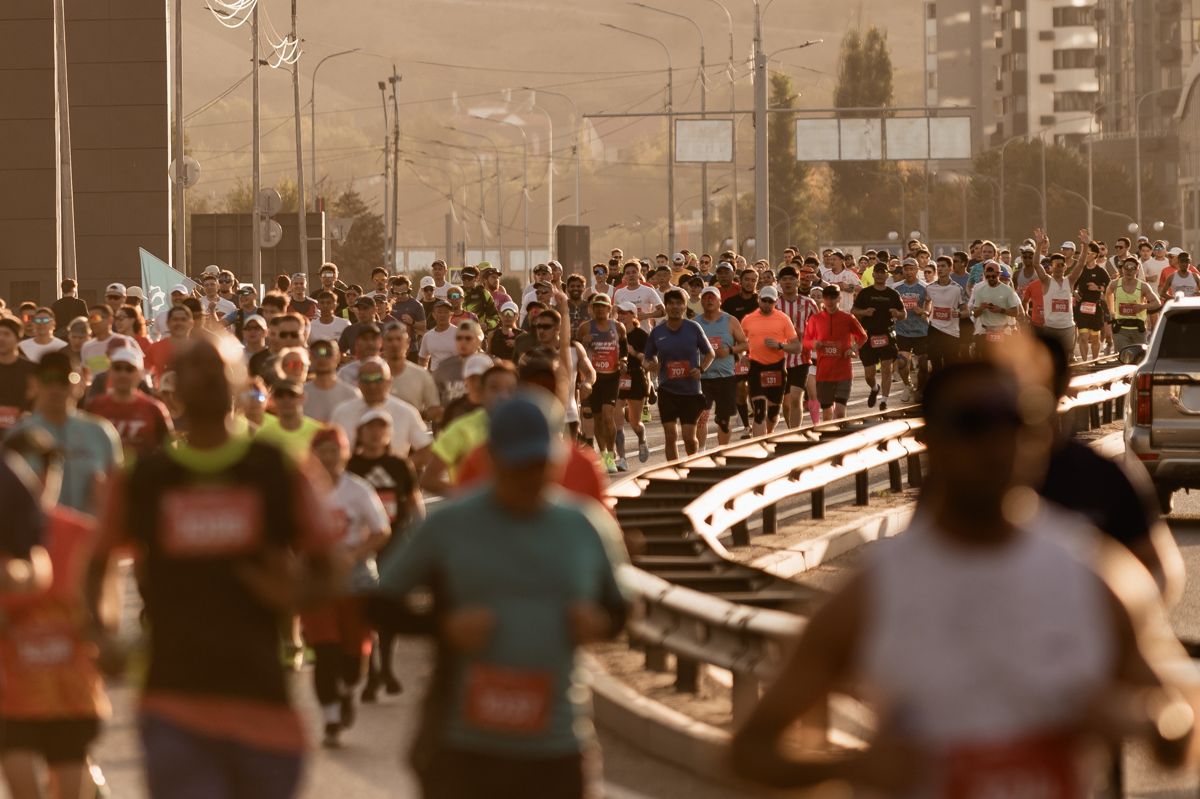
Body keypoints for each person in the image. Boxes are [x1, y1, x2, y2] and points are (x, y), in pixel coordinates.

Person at [730, 350, 1200, 797]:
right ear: (928, 438)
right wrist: (853, 766)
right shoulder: (873, 593)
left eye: (1017, 421)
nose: (998, 443)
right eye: (972, 423)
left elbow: (1179, 727)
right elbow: (749, 752)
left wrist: (1142, 720)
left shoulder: (1095, 575)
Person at [88, 337, 340, 799]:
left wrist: (299, 596)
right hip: (173, 700)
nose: (205, 376)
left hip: (264, 700)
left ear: (241, 381)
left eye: (216, 366)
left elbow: (330, 565)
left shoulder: (277, 469)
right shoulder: (144, 478)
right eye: (192, 367)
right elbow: (96, 560)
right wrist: (102, 633)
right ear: (174, 388)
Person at [376, 391, 628, 799]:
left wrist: (600, 623)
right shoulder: (451, 525)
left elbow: (621, 608)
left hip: (557, 745)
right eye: (518, 465)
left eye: (539, 464)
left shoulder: (585, 526)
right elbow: (379, 603)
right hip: (464, 748)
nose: (530, 477)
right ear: (491, 457)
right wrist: (441, 625)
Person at [0, 428, 111, 799]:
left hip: (71, 696)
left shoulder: (82, 534)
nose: (37, 481)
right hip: (13, 696)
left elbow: (105, 619)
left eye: (47, 467)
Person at [303, 426, 390, 748]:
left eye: (333, 451)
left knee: (354, 658)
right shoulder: (302, 492)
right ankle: (330, 719)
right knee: (324, 652)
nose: (328, 458)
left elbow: (381, 531)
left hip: (356, 581)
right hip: (317, 583)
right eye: (321, 451)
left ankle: (347, 690)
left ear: (345, 454)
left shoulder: (358, 490)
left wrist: (353, 554)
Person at [347, 412, 423, 703]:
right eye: (371, 428)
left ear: (390, 434)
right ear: (361, 432)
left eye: (382, 428)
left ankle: (387, 668)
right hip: (362, 545)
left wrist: (418, 537)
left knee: (388, 606)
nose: (376, 434)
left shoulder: (399, 465)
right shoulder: (352, 466)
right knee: (366, 610)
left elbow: (415, 501)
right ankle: (372, 671)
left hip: (394, 543)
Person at [6, 352, 122, 516]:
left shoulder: (101, 432)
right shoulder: (18, 436)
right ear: (34, 383)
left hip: (88, 535)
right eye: (48, 379)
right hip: (38, 538)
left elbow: (117, 494)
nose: (56, 388)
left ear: (79, 383)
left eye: (64, 380)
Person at [644, 289, 715, 460]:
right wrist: (652, 365)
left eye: (679, 303)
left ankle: (693, 466)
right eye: (671, 303)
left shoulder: (693, 328)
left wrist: (701, 369)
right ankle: (673, 472)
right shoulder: (657, 332)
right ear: (666, 307)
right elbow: (647, 359)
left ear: (684, 306)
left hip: (690, 391)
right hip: (667, 390)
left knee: (689, 437)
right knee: (670, 435)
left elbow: (710, 353)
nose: (675, 307)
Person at [330, 358, 432, 464]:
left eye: (378, 379)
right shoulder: (342, 412)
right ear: (358, 383)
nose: (372, 385)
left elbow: (427, 449)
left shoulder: (406, 412)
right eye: (366, 379)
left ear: (389, 382)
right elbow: (330, 449)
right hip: (351, 476)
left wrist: (401, 469)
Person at [84, 345, 172, 461]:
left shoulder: (154, 409)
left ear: (139, 374)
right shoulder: (95, 406)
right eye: (118, 368)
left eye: (129, 369)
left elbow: (169, 450)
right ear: (110, 372)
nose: (123, 374)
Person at [740, 286, 799, 436]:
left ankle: (769, 435)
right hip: (756, 367)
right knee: (759, 410)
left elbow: (797, 347)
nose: (767, 304)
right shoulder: (748, 319)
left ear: (776, 301)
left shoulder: (783, 319)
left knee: (772, 413)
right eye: (764, 300)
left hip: (777, 367)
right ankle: (760, 444)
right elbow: (739, 342)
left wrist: (780, 345)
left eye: (770, 301)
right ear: (758, 300)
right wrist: (742, 355)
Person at [577, 294, 627, 473]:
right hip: (593, 378)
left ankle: (611, 454)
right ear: (591, 308)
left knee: (608, 416)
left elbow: (624, 349)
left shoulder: (618, 327)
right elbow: (577, 351)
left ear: (609, 308)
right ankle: (604, 454)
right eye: (596, 306)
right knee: (597, 418)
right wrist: (584, 342)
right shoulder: (584, 328)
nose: (599, 309)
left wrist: (623, 361)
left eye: (602, 306)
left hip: (611, 377)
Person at [802, 286, 867, 421]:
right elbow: (806, 341)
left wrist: (853, 348)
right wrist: (813, 344)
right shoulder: (816, 319)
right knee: (827, 414)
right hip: (823, 373)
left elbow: (863, 336)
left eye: (833, 298)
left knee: (840, 413)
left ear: (839, 298)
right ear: (823, 300)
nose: (830, 301)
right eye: (827, 298)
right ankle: (829, 439)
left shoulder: (848, 318)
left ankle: (841, 440)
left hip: (844, 372)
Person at [853, 263, 905, 411]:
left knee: (886, 368)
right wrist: (864, 312)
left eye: (883, 272)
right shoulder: (865, 293)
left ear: (887, 275)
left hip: (886, 334)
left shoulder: (893, 294)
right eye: (878, 272)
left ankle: (884, 401)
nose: (881, 275)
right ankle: (875, 388)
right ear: (873, 274)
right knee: (869, 374)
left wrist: (897, 314)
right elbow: (853, 310)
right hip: (869, 335)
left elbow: (903, 314)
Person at [775, 266, 820, 428]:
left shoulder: (808, 303)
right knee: (785, 403)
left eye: (791, 279)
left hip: (801, 357)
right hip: (779, 358)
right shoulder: (774, 304)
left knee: (796, 398)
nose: (787, 282)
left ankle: (795, 434)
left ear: (798, 281)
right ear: (779, 282)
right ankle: (790, 431)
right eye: (784, 279)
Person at [614, 302, 652, 463]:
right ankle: (622, 458)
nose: (621, 315)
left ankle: (642, 440)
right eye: (619, 312)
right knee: (617, 423)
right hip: (618, 379)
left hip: (636, 378)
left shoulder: (642, 335)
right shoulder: (614, 334)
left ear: (633, 315)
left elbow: (650, 361)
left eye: (625, 312)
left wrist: (634, 353)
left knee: (635, 422)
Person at [382, 323, 440, 422]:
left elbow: (434, 409)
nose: (394, 344)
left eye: (399, 339)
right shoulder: (374, 374)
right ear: (382, 343)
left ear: (407, 343)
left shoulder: (421, 375)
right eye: (390, 340)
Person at [254, 380, 322, 463]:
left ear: (303, 397)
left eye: (292, 395)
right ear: (273, 399)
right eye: (280, 396)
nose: (286, 400)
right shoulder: (264, 436)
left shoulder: (318, 433)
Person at [893, 258, 931, 402]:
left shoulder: (925, 287)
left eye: (911, 269)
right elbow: (893, 306)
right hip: (903, 330)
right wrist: (895, 313)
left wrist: (924, 312)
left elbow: (928, 304)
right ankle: (907, 385)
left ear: (917, 270)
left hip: (921, 331)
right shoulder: (896, 288)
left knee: (923, 363)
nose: (909, 272)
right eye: (906, 269)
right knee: (902, 362)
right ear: (902, 270)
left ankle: (920, 389)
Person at [1107, 258, 1161, 352]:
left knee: (1138, 359)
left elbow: (1157, 303)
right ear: (1122, 269)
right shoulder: (1115, 284)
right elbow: (1108, 294)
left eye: (1133, 268)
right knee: (1122, 357)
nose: (1129, 270)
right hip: (1120, 329)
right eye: (1126, 267)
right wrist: (1112, 311)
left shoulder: (1143, 286)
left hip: (1138, 329)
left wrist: (1142, 307)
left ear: (1137, 270)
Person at [925, 256, 968, 374]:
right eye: (938, 266)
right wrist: (927, 313)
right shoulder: (930, 287)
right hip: (934, 329)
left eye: (943, 266)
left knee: (950, 364)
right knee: (935, 364)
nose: (940, 269)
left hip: (951, 332)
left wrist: (959, 313)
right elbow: (927, 302)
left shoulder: (957, 289)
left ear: (950, 268)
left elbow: (966, 311)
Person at [970, 260, 1022, 352]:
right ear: (984, 274)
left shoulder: (1007, 290)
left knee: (1002, 364)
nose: (990, 278)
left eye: (993, 276)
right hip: (985, 332)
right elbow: (974, 314)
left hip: (1003, 332)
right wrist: (981, 308)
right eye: (988, 276)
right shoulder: (979, 290)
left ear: (999, 274)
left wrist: (1001, 310)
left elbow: (1016, 312)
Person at [303, 339, 360, 423]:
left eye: (328, 353)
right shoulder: (300, 395)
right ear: (310, 357)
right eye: (316, 353)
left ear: (338, 357)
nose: (322, 358)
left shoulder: (352, 395)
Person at [613, 261, 664, 331]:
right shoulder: (619, 292)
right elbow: (614, 314)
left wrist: (646, 315)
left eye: (634, 272)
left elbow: (663, 311)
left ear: (639, 274)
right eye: (628, 273)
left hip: (644, 333)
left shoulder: (648, 290)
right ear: (624, 276)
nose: (631, 275)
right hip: (625, 335)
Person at [419, 300, 458, 372]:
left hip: (455, 376)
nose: (442, 315)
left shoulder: (459, 334)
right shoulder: (428, 336)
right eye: (439, 312)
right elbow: (423, 359)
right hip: (435, 376)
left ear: (451, 315)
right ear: (434, 315)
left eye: (446, 312)